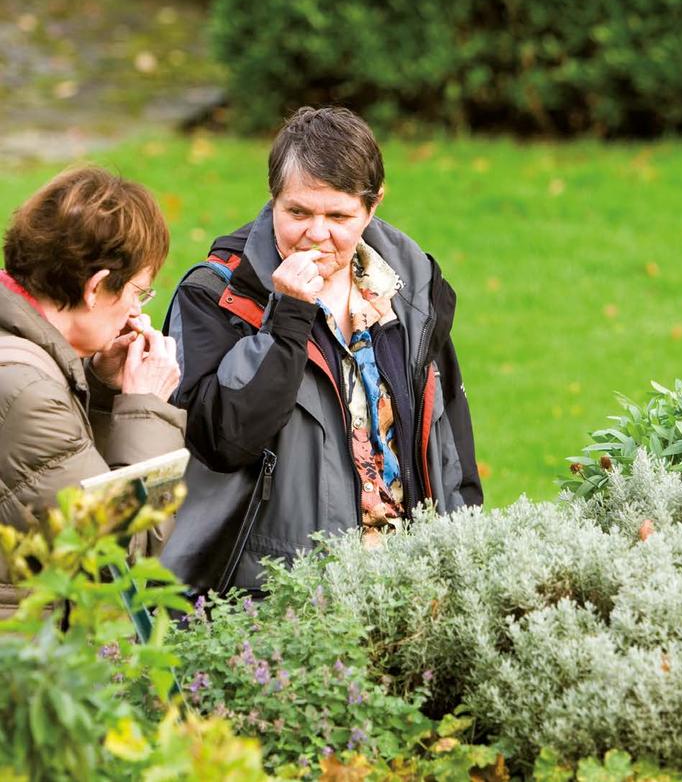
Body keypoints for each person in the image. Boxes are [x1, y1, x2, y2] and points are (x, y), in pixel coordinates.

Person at [161, 106, 482, 593]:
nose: (315, 233)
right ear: (273, 201)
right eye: (298, 212)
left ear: (371, 208)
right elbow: (223, 441)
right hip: (283, 591)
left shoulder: (412, 288)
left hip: (412, 577)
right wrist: (288, 319)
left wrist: (469, 550)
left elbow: (451, 439)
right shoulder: (217, 294)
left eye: (338, 216)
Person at [0, 166, 185, 614]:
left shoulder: (24, 360)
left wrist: (102, 389)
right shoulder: (27, 392)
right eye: (139, 292)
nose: (135, 314)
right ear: (97, 286)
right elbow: (116, 561)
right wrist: (146, 409)